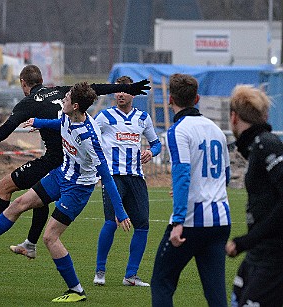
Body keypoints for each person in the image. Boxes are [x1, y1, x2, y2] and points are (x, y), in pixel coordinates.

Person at [0, 82, 132, 303]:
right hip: (61, 174)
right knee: (19, 204)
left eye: (65, 99)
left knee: (50, 237)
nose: (61, 102)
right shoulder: (69, 115)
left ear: (75, 105)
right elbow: (60, 123)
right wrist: (38, 122)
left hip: (77, 189)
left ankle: (76, 290)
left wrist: (120, 211)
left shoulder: (90, 138)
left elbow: (106, 176)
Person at [0, 64, 150, 258]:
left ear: (23, 83)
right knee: (33, 199)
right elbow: (93, 89)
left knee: (5, 187)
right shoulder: (59, 92)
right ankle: (28, 243)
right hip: (66, 162)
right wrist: (127, 88)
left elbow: (5, 130)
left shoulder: (30, 103)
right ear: (42, 81)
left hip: (60, 164)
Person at [151, 73, 231, 307]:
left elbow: (182, 173)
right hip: (220, 221)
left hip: (190, 222)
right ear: (197, 98)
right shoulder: (216, 130)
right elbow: (224, 177)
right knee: (216, 292)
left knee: (161, 283)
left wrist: (178, 222)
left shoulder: (178, 131)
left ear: (169, 99)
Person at [93, 75, 161, 287]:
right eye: (118, 90)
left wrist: (151, 152)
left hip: (136, 178)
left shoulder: (143, 118)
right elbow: (90, 138)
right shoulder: (104, 117)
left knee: (142, 225)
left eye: (125, 90)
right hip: (113, 177)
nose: (121, 94)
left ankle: (131, 275)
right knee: (111, 221)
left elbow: (157, 144)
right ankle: (100, 271)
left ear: (133, 93)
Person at [225, 85, 283, 307]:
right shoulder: (257, 146)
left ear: (234, 117)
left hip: (273, 257)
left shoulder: (266, 144)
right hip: (257, 255)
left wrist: (245, 241)